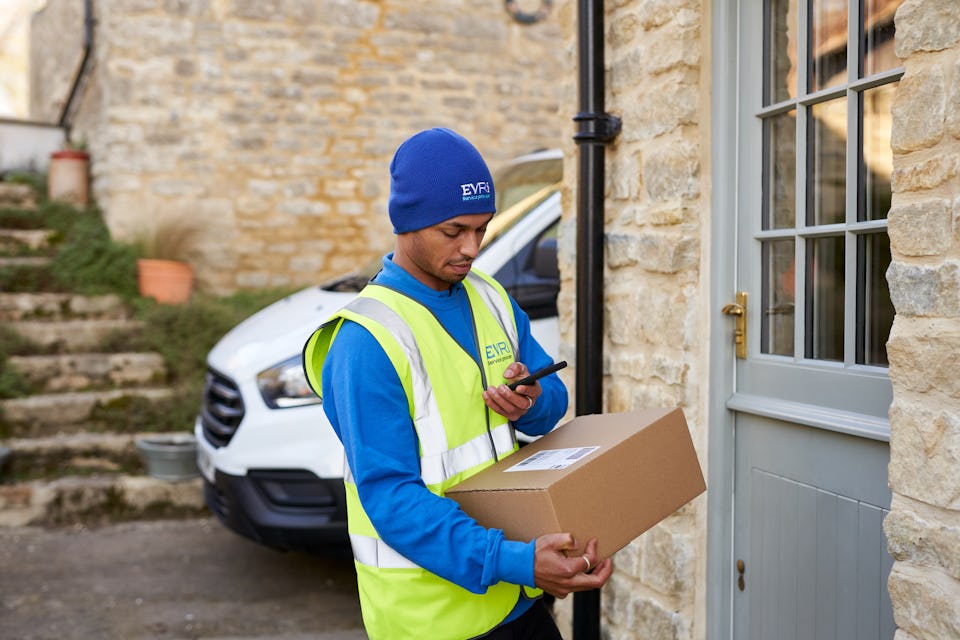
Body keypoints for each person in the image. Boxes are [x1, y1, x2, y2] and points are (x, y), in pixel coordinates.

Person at [303, 127, 612, 640]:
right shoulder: (365, 342)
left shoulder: (489, 296)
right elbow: (392, 498)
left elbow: (551, 400)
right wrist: (514, 559)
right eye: (454, 231)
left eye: (483, 229)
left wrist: (531, 403)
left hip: (517, 598)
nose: (471, 248)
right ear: (407, 222)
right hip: (435, 620)